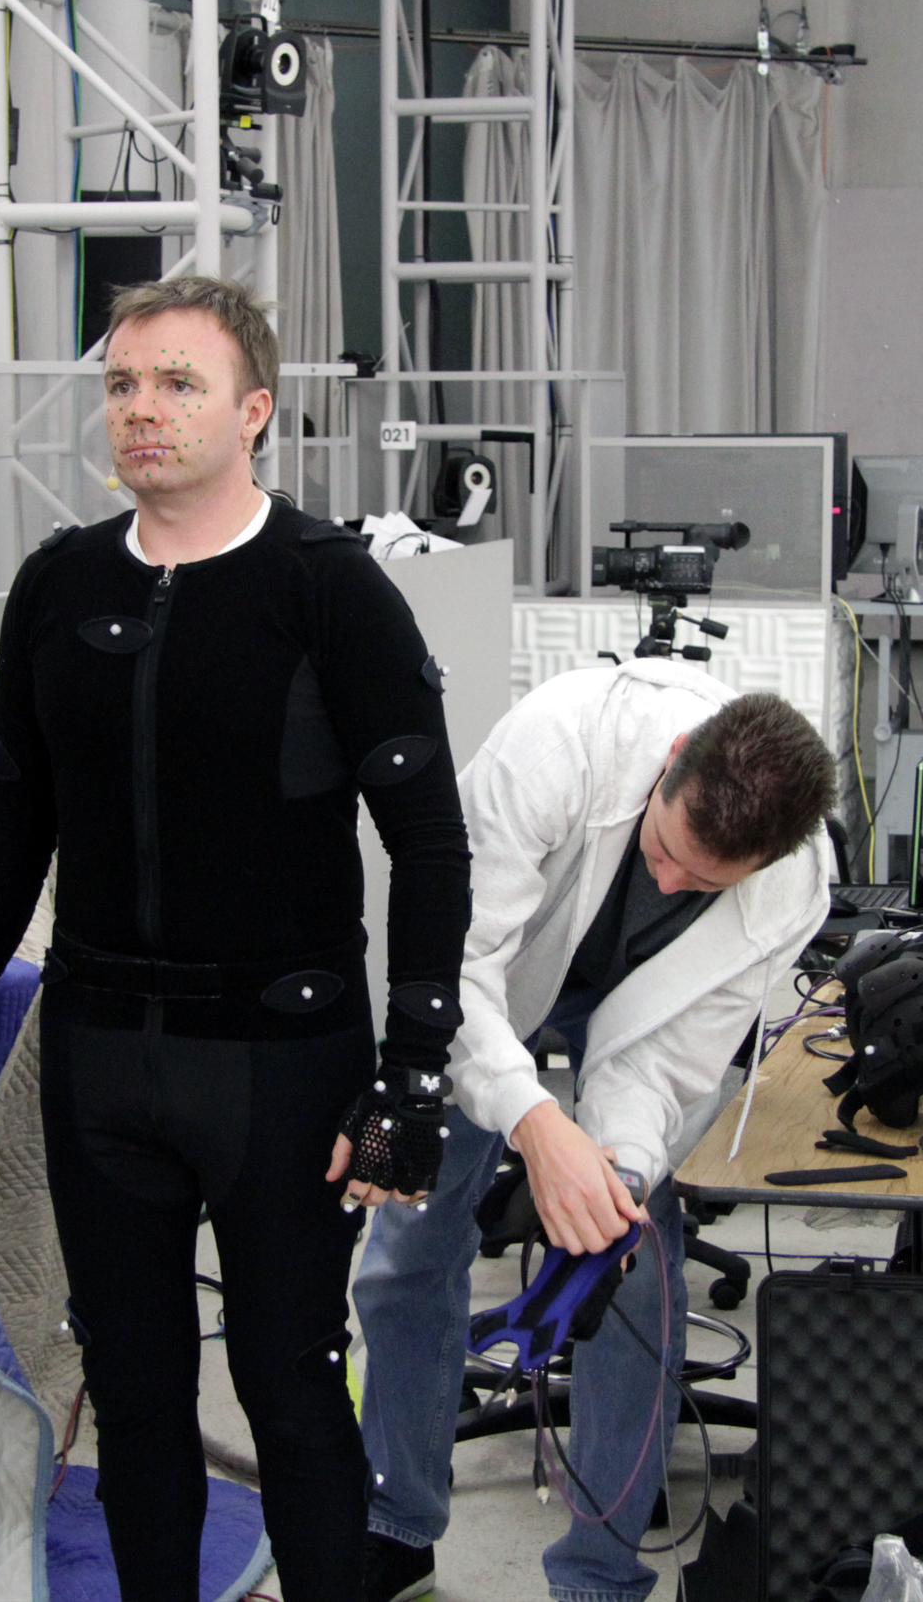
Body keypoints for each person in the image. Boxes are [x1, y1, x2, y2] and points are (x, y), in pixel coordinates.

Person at [0, 275, 472, 1600]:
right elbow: (11, 823)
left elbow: (430, 840)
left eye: (178, 383)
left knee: (291, 1383)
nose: (143, 409)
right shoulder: (59, 583)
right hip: (102, 1051)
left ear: (254, 411)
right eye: (122, 383)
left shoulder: (326, 588)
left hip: (283, 1060)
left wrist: (412, 1069)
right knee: (131, 1392)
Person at [355, 663, 835, 1602]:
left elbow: (664, 1063)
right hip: (494, 989)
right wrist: (537, 1125)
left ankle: (600, 1579)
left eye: (703, 883)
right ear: (671, 762)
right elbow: (454, 968)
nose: (670, 880)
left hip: (637, 1022)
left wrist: (614, 1173)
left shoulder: (793, 887)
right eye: (666, 849)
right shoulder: (555, 750)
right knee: (411, 1245)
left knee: (634, 1268)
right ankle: (396, 1522)